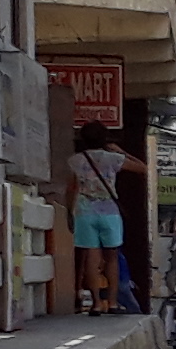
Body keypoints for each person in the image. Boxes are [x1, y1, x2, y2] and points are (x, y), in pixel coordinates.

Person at [65, 126, 132, 315]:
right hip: (109, 212)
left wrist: (69, 212)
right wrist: (122, 152)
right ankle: (112, 303)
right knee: (112, 258)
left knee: (91, 258)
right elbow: (142, 168)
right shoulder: (113, 158)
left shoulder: (75, 160)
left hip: (85, 212)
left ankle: (95, 304)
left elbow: (71, 189)